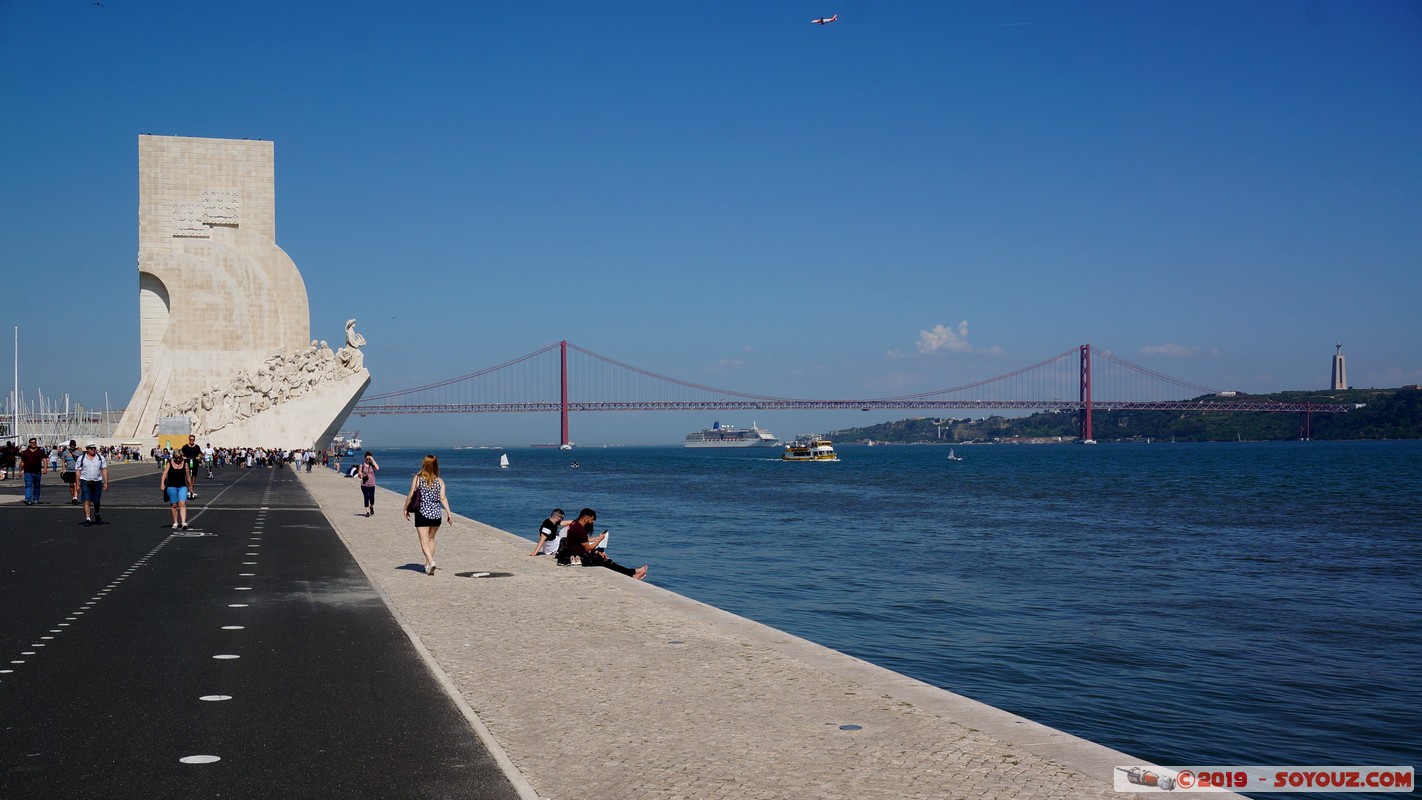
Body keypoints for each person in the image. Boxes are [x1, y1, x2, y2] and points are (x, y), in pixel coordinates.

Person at [559, 508, 647, 580]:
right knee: (607, 562)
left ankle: (632, 572)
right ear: (586, 518)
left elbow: (581, 546)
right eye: (592, 519)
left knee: (605, 559)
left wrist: (597, 552)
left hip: (577, 553)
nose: (592, 522)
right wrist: (599, 540)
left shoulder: (575, 525)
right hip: (580, 556)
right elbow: (588, 549)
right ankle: (632, 574)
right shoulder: (579, 529)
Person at [403, 454, 453, 575]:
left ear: (424, 464)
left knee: (424, 541)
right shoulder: (440, 481)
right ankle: (427, 565)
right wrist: (449, 513)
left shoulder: (418, 478)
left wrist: (405, 508)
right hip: (436, 515)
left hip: (422, 513)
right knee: (431, 539)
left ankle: (431, 562)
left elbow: (411, 495)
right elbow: (443, 498)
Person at [75, 443, 109, 526]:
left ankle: (97, 513)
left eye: (94, 448)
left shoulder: (100, 458)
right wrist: (77, 484)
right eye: (91, 448)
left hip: (97, 482)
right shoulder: (81, 458)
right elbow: (78, 472)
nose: (93, 449)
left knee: (96, 501)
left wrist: (106, 482)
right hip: (85, 481)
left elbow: (104, 470)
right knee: (87, 500)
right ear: (87, 449)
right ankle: (88, 518)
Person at [160, 451, 194, 530]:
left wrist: (190, 487)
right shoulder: (169, 463)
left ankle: (183, 522)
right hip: (172, 486)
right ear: (174, 457)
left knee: (182, 503)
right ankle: (175, 522)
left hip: (182, 486)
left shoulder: (185, 463)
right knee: (174, 505)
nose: (178, 460)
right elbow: (164, 474)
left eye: (180, 458)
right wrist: (162, 484)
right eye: (177, 458)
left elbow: (188, 476)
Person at [19, 437, 47, 505]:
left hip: (37, 472)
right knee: (28, 485)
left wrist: (45, 468)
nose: (33, 444)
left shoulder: (40, 451)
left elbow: (44, 460)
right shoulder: (25, 452)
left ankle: (36, 499)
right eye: (32, 442)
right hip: (28, 472)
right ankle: (28, 499)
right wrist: (20, 471)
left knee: (37, 486)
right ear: (29, 443)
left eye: (34, 442)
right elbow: (22, 462)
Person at [358, 451, 380, 516]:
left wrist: (372, 460)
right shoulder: (362, 465)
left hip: (372, 484)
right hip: (364, 484)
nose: (368, 460)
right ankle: (367, 512)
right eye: (367, 458)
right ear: (364, 458)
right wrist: (360, 475)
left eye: (369, 459)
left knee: (372, 498)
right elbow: (359, 473)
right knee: (366, 497)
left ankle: (371, 506)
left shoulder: (372, 465)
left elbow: (378, 468)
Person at [61, 440, 80, 504]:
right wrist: (63, 470)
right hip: (69, 471)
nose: (72, 446)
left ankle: (75, 497)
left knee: (75, 484)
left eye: (73, 445)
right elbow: (63, 461)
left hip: (76, 471)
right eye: (71, 445)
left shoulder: (79, 453)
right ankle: (73, 497)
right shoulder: (65, 453)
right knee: (71, 484)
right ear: (69, 445)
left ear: (75, 445)